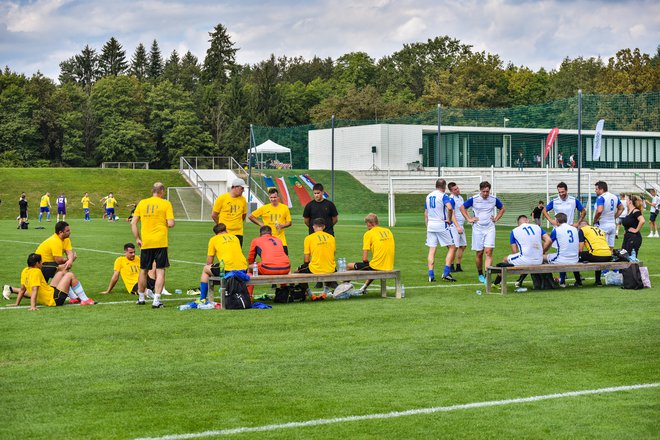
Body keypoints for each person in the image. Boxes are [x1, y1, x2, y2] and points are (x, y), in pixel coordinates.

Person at [131, 182, 175, 308]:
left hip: (146, 242)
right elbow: (170, 223)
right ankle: (156, 300)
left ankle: (141, 298)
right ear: (161, 191)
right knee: (160, 271)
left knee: (143, 270)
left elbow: (133, 223)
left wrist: (137, 238)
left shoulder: (142, 203)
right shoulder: (166, 203)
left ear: (152, 191)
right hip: (160, 242)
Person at [34, 221, 93, 304]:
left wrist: (70, 260)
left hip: (50, 265)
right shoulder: (55, 241)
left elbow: (69, 252)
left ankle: (11, 289)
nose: (70, 232)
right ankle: (81, 298)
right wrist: (70, 260)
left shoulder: (66, 239)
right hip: (41, 266)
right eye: (67, 231)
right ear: (60, 232)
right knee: (64, 271)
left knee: (39, 291)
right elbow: (58, 260)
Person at [10, 253, 94, 310]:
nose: (42, 263)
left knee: (61, 273)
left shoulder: (25, 270)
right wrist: (33, 306)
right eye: (41, 262)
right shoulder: (37, 271)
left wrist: (17, 303)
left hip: (49, 293)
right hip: (54, 299)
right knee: (70, 275)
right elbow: (35, 290)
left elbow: (22, 289)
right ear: (36, 263)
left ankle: (73, 298)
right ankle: (84, 299)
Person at [460, 181, 506, 283]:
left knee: (488, 252)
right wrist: (469, 219)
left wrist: (496, 218)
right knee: (479, 253)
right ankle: (480, 273)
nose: (486, 193)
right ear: (480, 190)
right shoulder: (474, 199)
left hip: (490, 228)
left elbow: (502, 208)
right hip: (477, 229)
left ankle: (487, 276)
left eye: (487, 191)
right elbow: (462, 207)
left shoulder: (493, 199)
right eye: (484, 191)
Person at [491, 215, 550, 287]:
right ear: (527, 221)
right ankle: (519, 280)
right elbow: (548, 240)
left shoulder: (514, 231)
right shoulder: (538, 227)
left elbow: (514, 251)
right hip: (539, 259)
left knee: (505, 259)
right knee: (525, 259)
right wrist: (542, 251)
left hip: (527, 259)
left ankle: (496, 283)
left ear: (518, 224)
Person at [198, 223, 248, 302]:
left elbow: (209, 261)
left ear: (216, 233)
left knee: (205, 269)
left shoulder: (214, 239)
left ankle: (202, 299)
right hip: (243, 268)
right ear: (226, 230)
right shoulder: (235, 237)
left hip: (227, 268)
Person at [347, 213, 396, 295]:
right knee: (373, 265)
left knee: (349, 266)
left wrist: (366, 262)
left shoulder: (368, 234)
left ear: (370, 223)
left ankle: (342, 290)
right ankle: (363, 288)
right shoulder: (388, 231)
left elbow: (364, 258)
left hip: (378, 266)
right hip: (389, 265)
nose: (367, 226)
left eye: (367, 224)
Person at [424, 179, 458, 282]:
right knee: (452, 247)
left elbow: (426, 213)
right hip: (441, 224)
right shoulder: (443, 196)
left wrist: (427, 225)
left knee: (432, 250)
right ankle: (446, 272)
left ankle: (431, 275)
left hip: (431, 225)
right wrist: (448, 219)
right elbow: (450, 208)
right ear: (444, 187)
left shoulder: (428, 196)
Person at [248, 188, 292, 254]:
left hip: (281, 240)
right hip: (267, 239)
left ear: (278, 197)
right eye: (271, 197)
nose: (273, 199)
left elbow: (289, 222)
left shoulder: (284, 208)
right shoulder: (264, 208)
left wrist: (282, 225)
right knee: (269, 260)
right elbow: (251, 216)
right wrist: (261, 224)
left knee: (284, 259)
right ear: (269, 197)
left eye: (275, 197)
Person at [544, 213, 581, 287]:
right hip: (575, 258)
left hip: (563, 259)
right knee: (563, 254)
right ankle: (576, 281)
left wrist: (543, 251)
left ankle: (549, 283)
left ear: (557, 221)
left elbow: (549, 243)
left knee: (542, 258)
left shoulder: (556, 230)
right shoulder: (574, 229)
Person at [211, 178, 247, 247]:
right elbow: (214, 215)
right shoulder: (222, 198)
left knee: (237, 255)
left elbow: (243, 215)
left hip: (238, 233)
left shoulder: (243, 200)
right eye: (241, 188)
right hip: (224, 233)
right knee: (225, 254)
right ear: (234, 187)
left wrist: (236, 224)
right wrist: (221, 227)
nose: (243, 190)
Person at [577, 220, 611, 286]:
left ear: (580, 226)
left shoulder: (582, 230)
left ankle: (578, 282)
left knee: (574, 257)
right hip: (608, 255)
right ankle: (598, 281)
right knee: (596, 253)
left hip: (596, 255)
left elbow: (580, 249)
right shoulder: (599, 229)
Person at [592, 180, 623, 250]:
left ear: (601, 189)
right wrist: (614, 217)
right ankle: (610, 259)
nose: (595, 191)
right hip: (612, 224)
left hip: (603, 224)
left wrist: (595, 219)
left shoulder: (601, 197)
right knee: (610, 247)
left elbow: (599, 210)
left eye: (596, 189)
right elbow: (621, 208)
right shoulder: (614, 197)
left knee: (602, 247)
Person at [447, 182, 467, 272]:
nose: (458, 190)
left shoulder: (460, 197)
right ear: (451, 191)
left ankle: (458, 265)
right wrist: (457, 226)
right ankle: (450, 266)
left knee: (463, 246)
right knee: (454, 247)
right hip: (454, 225)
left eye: (458, 188)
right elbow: (452, 214)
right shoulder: (451, 199)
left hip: (461, 224)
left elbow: (463, 210)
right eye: (455, 189)